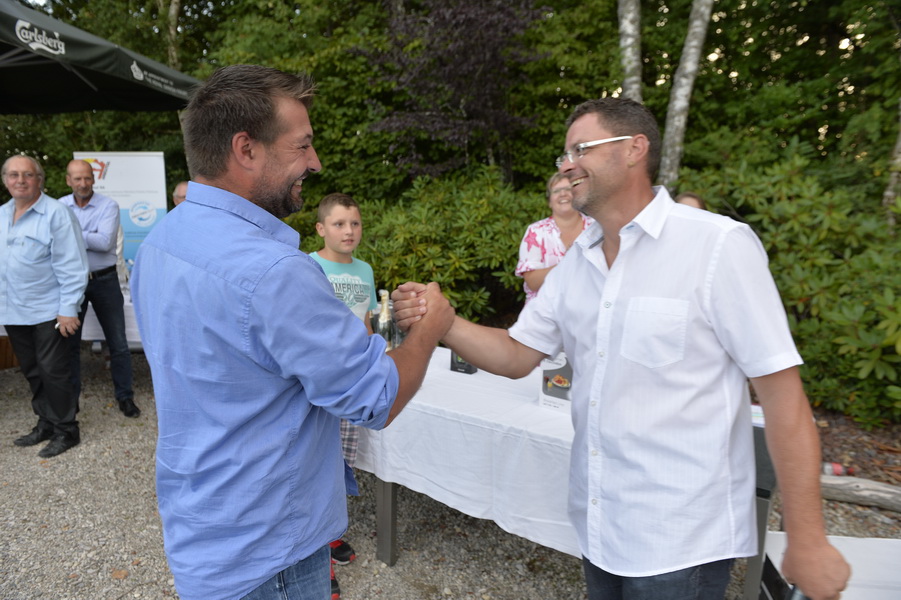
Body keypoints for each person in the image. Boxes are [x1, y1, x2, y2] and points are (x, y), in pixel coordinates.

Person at [393, 98, 850, 600]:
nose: (568, 165)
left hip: (681, 540)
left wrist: (807, 537)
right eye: (564, 155)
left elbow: (784, 398)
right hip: (599, 527)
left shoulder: (717, 245)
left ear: (635, 149)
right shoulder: (575, 264)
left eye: (581, 149)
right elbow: (516, 354)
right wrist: (446, 322)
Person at [130, 64, 454, 600]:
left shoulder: (162, 240)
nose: (315, 161)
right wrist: (431, 328)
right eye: (302, 145)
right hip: (270, 552)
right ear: (246, 149)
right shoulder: (275, 273)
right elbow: (376, 397)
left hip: (202, 528)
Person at [1, 155, 88, 458]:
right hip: (13, 309)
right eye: (13, 175)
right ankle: (46, 423)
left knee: (53, 371)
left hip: (50, 310)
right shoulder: (1, 214)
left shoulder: (57, 214)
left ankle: (67, 429)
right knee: (32, 370)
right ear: (5, 180)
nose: (20, 180)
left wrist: (69, 308)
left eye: (28, 174)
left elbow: (73, 265)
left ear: (40, 179)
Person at [308, 192, 374, 591]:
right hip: (318, 385)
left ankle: (330, 535)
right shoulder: (308, 266)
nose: (348, 231)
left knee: (340, 464)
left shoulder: (364, 270)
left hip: (352, 382)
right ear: (321, 228)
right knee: (315, 467)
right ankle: (319, 565)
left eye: (354, 223)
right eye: (338, 224)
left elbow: (365, 323)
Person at [60, 159, 139, 418]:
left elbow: (105, 243)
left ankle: (125, 396)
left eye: (87, 178)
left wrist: (71, 233)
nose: (83, 183)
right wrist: (87, 234)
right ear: (68, 181)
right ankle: (70, 401)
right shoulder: (59, 206)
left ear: (94, 179)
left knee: (118, 343)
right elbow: (56, 242)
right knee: (69, 345)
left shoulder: (109, 205)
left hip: (105, 280)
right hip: (72, 281)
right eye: (77, 178)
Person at [515, 172, 593, 302]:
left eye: (568, 189)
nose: (563, 194)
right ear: (549, 202)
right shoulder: (536, 232)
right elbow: (532, 283)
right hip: (545, 311)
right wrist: (568, 264)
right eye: (556, 191)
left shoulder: (596, 228)